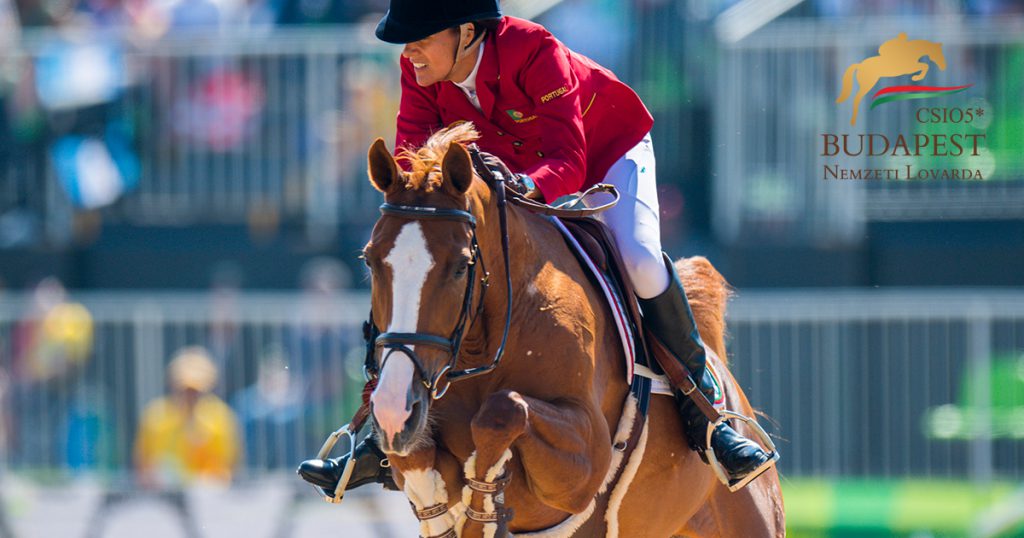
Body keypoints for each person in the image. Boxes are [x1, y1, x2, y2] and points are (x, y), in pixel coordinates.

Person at [299, 0, 773, 496]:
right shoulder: (417, 67)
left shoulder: (533, 49)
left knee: (640, 259)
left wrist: (523, 188)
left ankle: (708, 418)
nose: (409, 49)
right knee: (418, 262)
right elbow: (411, 155)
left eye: (420, 36)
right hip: (506, 178)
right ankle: (379, 431)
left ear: (465, 32)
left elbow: (568, 159)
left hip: (604, 156)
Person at [135, 346, 240, 487]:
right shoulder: (155, 416)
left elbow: (228, 466)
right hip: (163, 497)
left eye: (195, 392)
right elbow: (142, 464)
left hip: (208, 497)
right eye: (184, 390)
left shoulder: (220, 418)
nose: (189, 397)